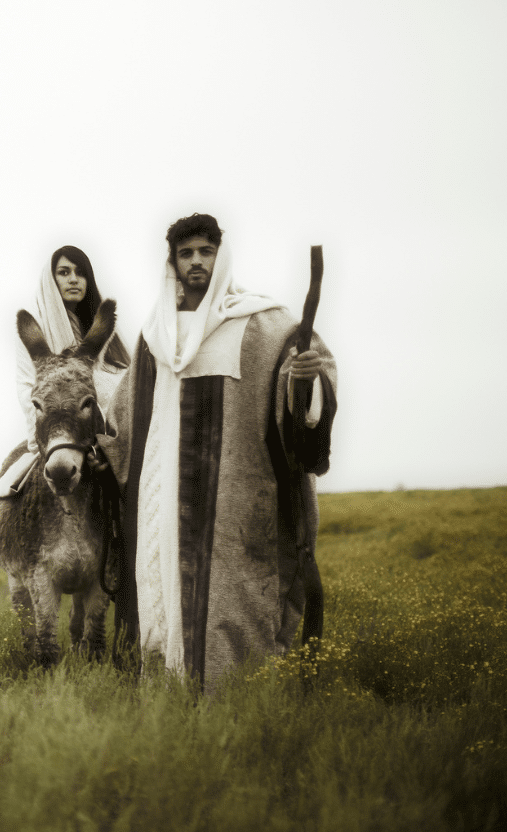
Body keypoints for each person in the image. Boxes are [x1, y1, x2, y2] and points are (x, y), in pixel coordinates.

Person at [100, 213, 336, 693]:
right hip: (160, 509)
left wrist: (306, 383)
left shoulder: (265, 326)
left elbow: (305, 402)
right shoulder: (155, 337)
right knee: (161, 598)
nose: (196, 262)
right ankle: (168, 706)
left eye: (205, 251)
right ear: (173, 264)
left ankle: (238, 704)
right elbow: (123, 420)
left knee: (235, 608)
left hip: (235, 507)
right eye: (186, 254)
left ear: (220, 256)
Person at [0, 245, 130, 498]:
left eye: (80, 272)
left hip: (105, 432)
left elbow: (123, 384)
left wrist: (108, 443)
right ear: (51, 280)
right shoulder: (37, 327)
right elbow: (26, 388)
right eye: (64, 272)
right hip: (57, 427)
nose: (74, 279)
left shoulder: (108, 336)